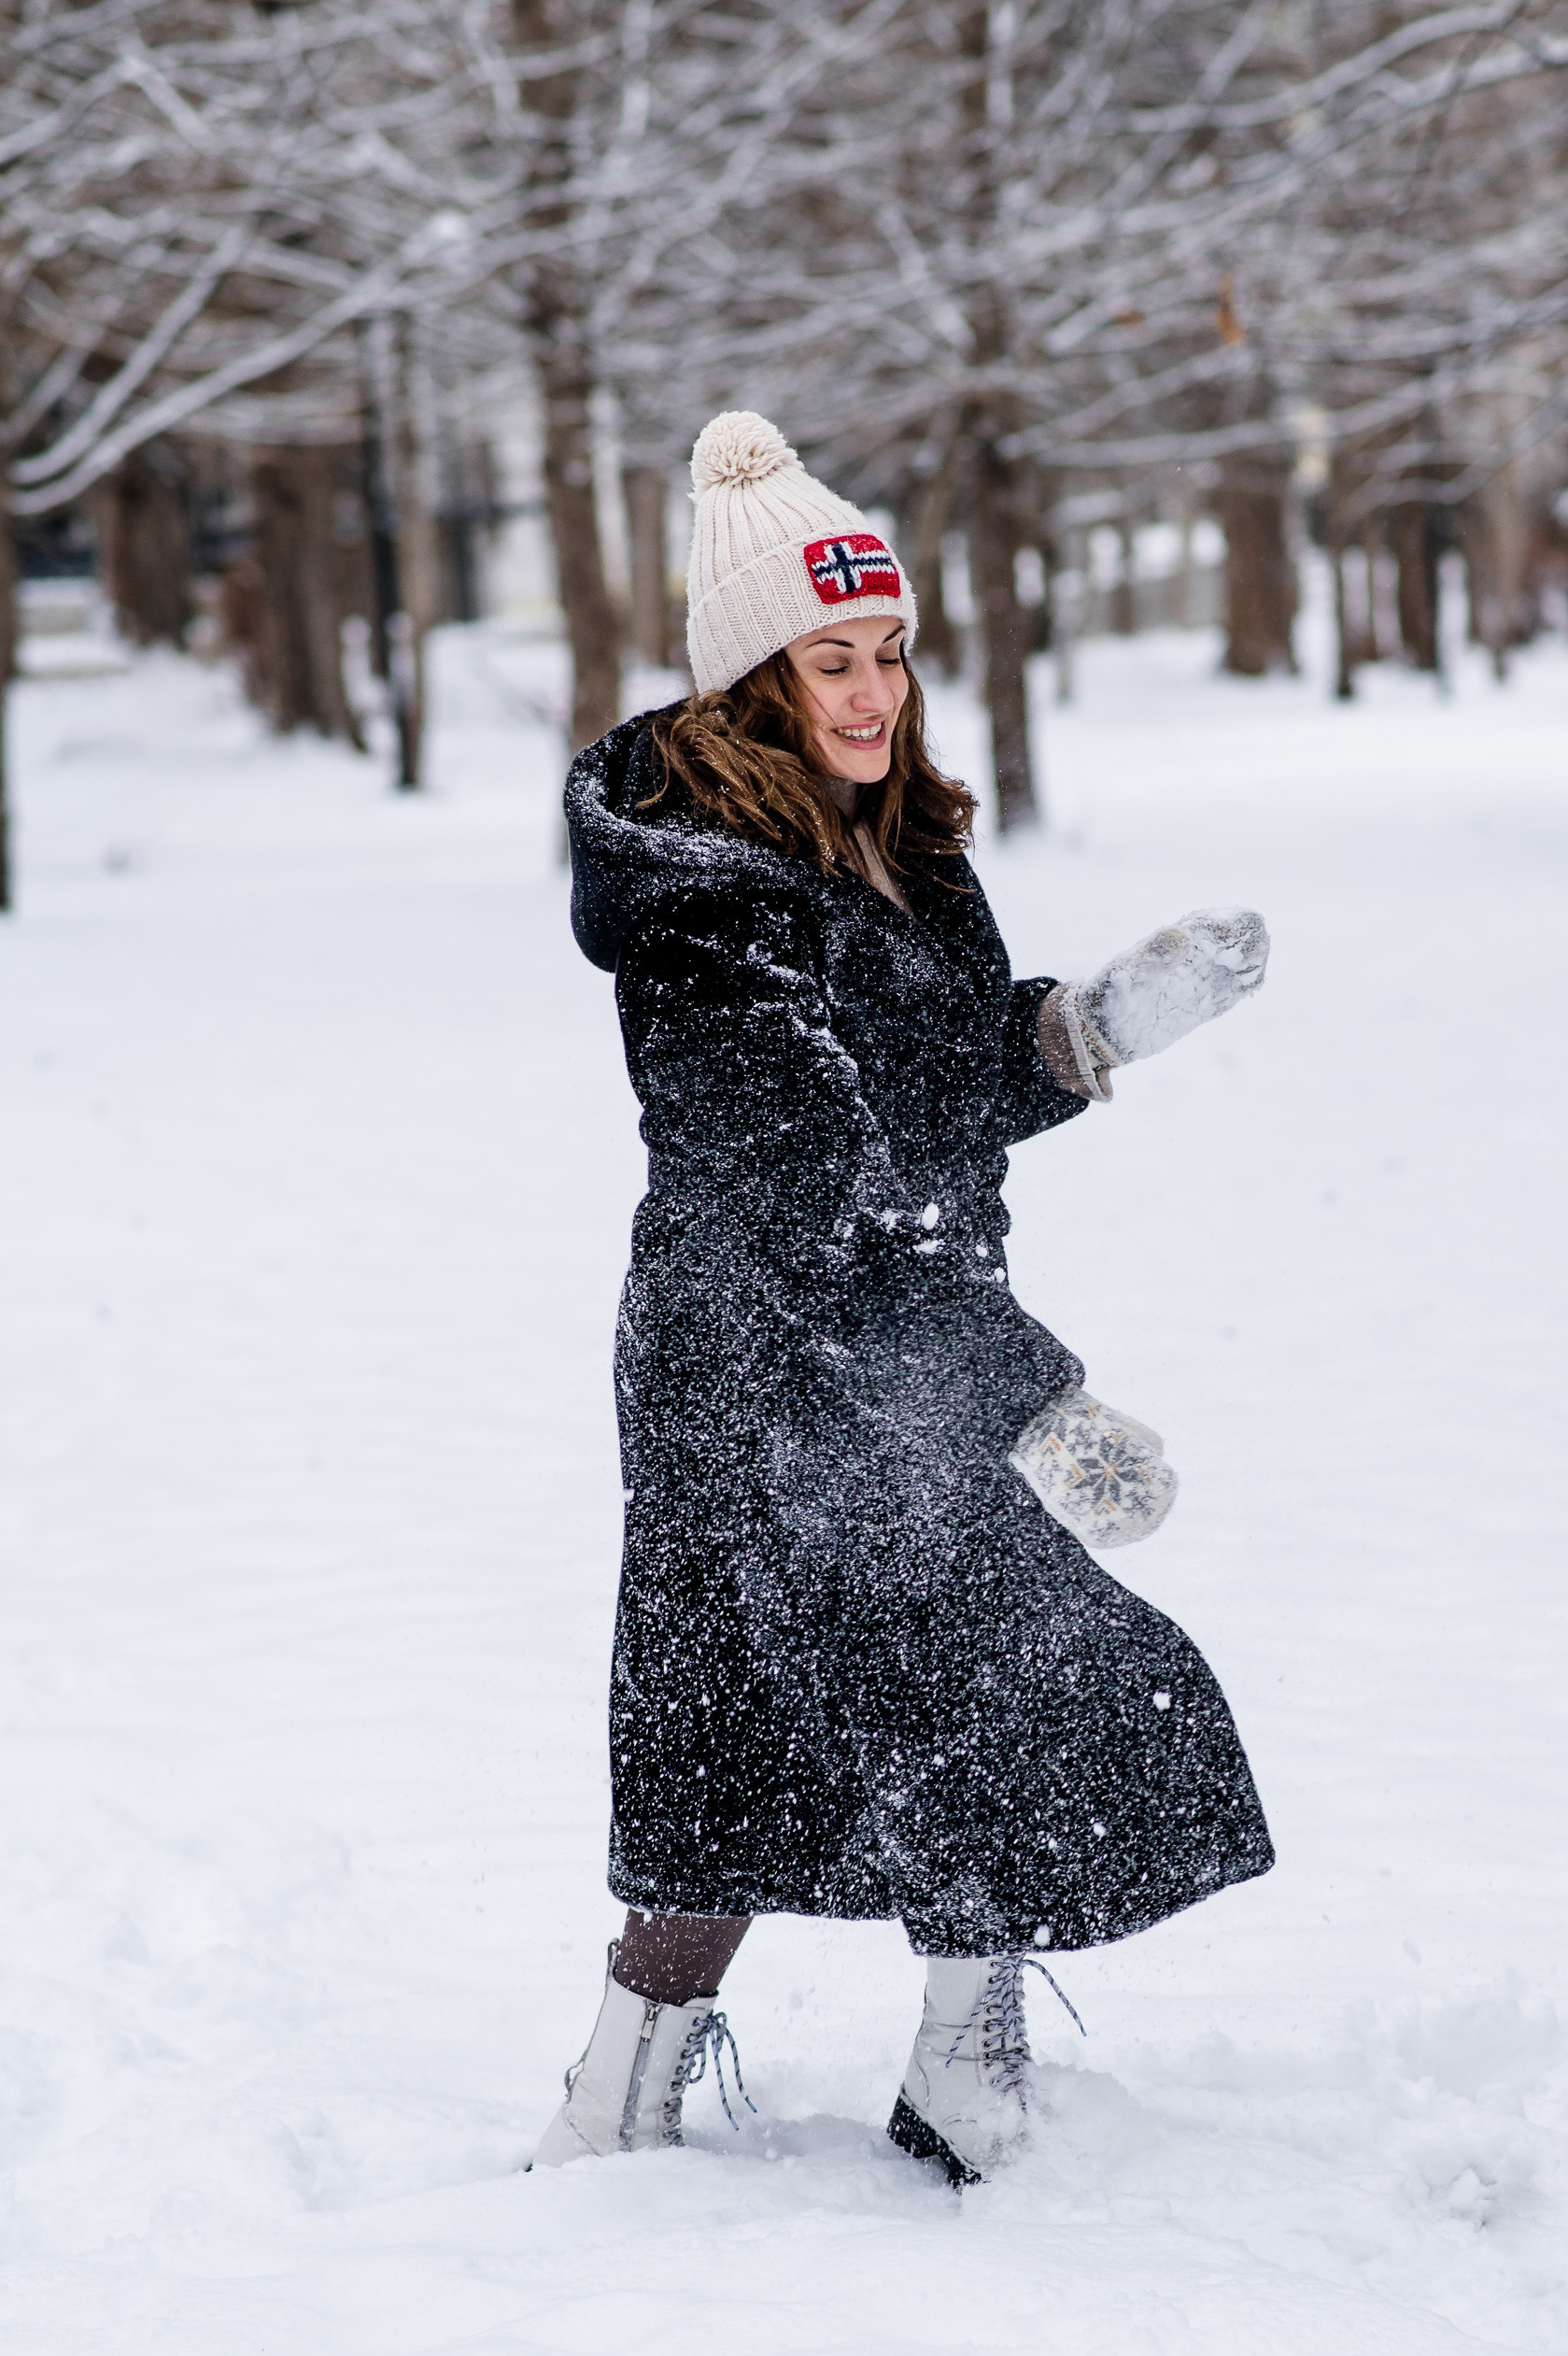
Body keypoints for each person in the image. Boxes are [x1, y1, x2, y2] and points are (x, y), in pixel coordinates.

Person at [532, 409, 1273, 2187]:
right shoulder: (705, 897)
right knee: (878, 1699)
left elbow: (916, 1092)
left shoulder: (883, 835)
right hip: (764, 1356)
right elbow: (799, 1186)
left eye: (887, 654)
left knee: (927, 1697)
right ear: (747, 680)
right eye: (827, 660)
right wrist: (1028, 1393)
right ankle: (641, 2093)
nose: (870, 695)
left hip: (899, 1334)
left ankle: (921, 2073)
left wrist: (1071, 1035)